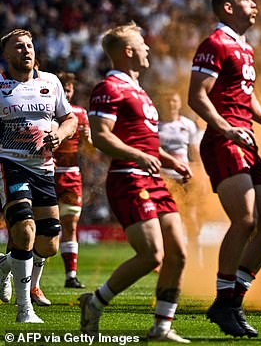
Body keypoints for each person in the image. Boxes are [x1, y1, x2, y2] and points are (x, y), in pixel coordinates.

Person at [80, 22, 191, 343]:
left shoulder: (140, 90)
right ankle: (95, 301)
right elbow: (100, 137)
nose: (148, 50)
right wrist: (140, 158)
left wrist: (171, 161)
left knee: (178, 254)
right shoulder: (109, 88)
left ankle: (162, 326)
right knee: (152, 254)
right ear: (128, 51)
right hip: (128, 178)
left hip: (152, 178)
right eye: (142, 45)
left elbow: (145, 143)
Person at [188, 0, 261, 338]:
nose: (254, 3)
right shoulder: (215, 43)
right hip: (222, 140)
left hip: (247, 141)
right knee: (245, 220)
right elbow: (196, 96)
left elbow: (246, 93)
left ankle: (232, 301)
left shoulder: (245, 47)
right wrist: (228, 130)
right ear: (228, 8)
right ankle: (225, 302)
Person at [0, 29, 78, 323]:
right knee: (25, 231)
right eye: (18, 46)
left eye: (29, 45)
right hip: (10, 163)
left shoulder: (51, 82)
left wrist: (59, 133)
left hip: (43, 168)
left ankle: (5, 265)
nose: (26, 50)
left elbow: (69, 118)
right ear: (6, 55)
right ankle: (25, 310)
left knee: (48, 245)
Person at [54, 71, 93, 290]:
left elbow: (90, 150)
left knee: (70, 225)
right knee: (42, 227)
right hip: (46, 172)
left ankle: (71, 275)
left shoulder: (80, 113)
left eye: (69, 90)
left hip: (70, 174)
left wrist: (89, 139)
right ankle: (28, 278)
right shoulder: (46, 112)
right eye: (63, 90)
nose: (66, 94)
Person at [158, 91, 201, 251]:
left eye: (174, 100)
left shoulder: (188, 124)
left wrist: (199, 172)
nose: (171, 104)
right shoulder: (156, 125)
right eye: (167, 101)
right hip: (164, 177)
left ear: (180, 103)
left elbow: (194, 150)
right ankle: (164, 255)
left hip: (185, 177)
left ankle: (197, 256)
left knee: (191, 217)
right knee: (165, 217)